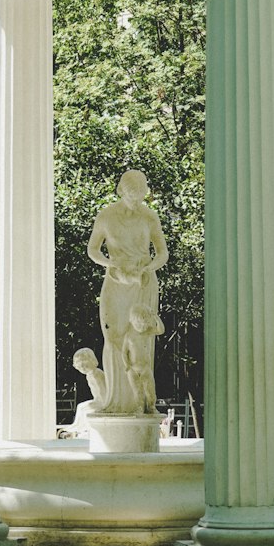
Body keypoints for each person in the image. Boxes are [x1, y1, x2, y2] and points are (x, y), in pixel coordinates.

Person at [86, 170, 168, 415]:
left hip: (143, 281)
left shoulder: (149, 216)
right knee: (113, 338)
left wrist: (149, 268)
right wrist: (111, 265)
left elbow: (162, 253)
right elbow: (93, 250)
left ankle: (141, 403)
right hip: (116, 280)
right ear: (122, 191)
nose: (136, 201)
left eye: (140, 196)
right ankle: (114, 401)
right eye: (132, 195)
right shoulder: (106, 216)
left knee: (141, 337)